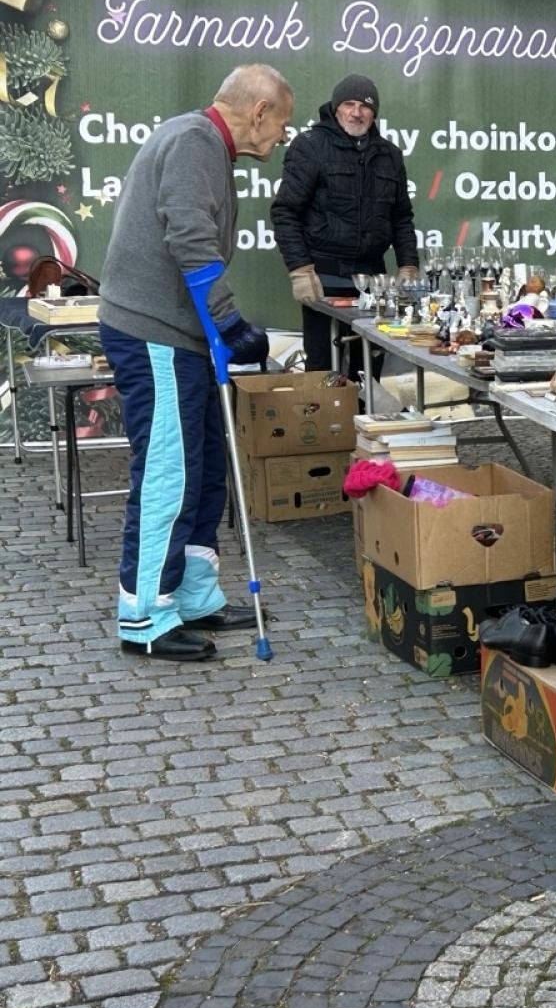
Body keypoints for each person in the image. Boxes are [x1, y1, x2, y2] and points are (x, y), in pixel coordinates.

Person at [98, 64, 295, 662]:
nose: (282, 136)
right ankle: (143, 616)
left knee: (204, 468)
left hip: (177, 333)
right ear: (259, 112)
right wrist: (229, 322)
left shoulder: (204, 144)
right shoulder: (195, 142)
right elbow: (188, 236)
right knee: (169, 472)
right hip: (154, 332)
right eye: (282, 124)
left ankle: (192, 592)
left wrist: (218, 330)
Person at [271, 74, 418, 379]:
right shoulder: (309, 146)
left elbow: (401, 217)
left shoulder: (390, 155)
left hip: (374, 283)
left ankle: (365, 412)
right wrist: (300, 271)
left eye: (365, 106)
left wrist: (408, 267)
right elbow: (285, 212)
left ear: (374, 113)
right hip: (322, 280)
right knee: (323, 374)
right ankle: (325, 413)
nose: (356, 112)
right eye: (349, 104)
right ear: (336, 108)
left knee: (369, 374)